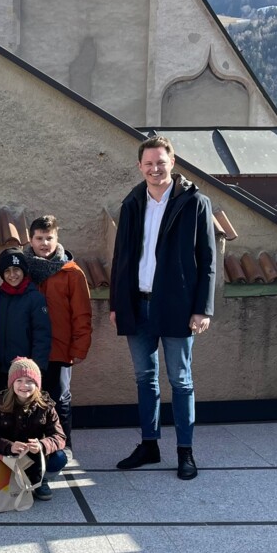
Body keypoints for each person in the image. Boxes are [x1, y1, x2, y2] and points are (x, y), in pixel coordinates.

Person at [109, 136, 216, 480]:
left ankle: (185, 452)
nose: (155, 169)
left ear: (173, 163)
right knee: (145, 378)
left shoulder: (195, 203)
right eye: (148, 164)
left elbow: (208, 261)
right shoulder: (132, 202)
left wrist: (203, 309)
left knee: (181, 381)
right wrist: (117, 304)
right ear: (140, 167)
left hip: (177, 306)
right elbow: (121, 259)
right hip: (137, 305)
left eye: (161, 162)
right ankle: (149, 445)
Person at [24, 216, 92, 452]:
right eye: (39, 238)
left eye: (49, 238)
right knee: (30, 398)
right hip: (29, 348)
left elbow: (82, 314)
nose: (44, 243)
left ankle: (63, 445)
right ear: (30, 239)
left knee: (59, 398)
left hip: (60, 348)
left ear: (57, 239)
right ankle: (35, 446)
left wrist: (80, 348)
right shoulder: (21, 269)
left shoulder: (71, 273)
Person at [0, 357, 67, 501]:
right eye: (19, 381)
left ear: (37, 384)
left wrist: (41, 445)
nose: (24, 385)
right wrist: (9, 446)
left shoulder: (46, 405)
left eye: (30, 381)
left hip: (34, 458)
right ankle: (7, 480)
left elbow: (59, 437)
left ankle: (41, 481)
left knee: (60, 458)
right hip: (8, 455)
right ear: (12, 383)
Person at [0, 247, 51, 391]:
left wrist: (37, 367)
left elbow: (42, 335)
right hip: (1, 369)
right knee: (2, 407)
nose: (12, 275)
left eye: (16, 269)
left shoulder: (35, 299)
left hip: (25, 371)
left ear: (24, 271)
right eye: (7, 270)